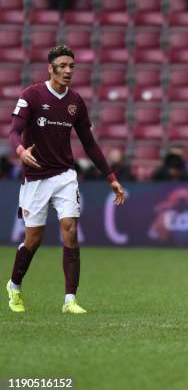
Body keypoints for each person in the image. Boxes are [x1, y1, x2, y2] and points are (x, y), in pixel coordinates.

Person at [6, 45, 126, 314]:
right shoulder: (32, 95)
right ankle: (14, 285)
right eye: (62, 66)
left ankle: (69, 299)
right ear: (50, 68)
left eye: (71, 66)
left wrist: (111, 177)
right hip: (36, 177)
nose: (68, 70)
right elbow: (14, 131)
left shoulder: (76, 102)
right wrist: (21, 151)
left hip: (64, 175)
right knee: (33, 239)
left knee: (70, 231)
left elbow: (90, 144)